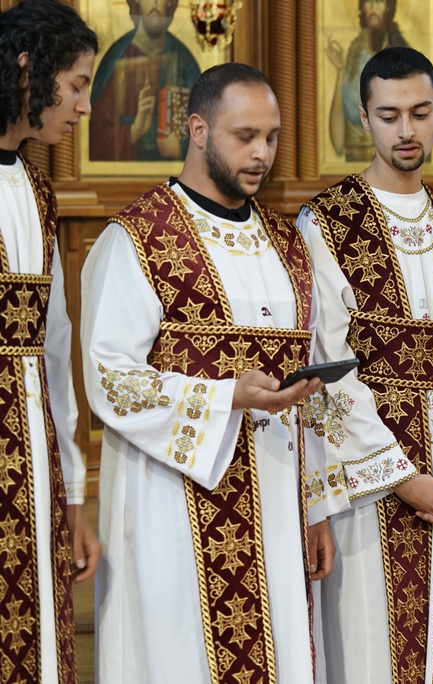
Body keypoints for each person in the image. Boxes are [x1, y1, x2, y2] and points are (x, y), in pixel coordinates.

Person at [82, 63, 345, 684]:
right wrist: (225, 396)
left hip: (278, 499)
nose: (262, 153)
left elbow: (315, 391)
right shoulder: (138, 238)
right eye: (244, 135)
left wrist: (317, 506)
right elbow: (108, 376)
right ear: (198, 130)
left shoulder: (289, 244)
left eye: (273, 137)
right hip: (171, 501)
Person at [299, 46, 433, 683]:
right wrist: (400, 476)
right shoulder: (326, 221)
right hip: (368, 479)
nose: (407, 131)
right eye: (390, 116)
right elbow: (326, 364)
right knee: (372, 648)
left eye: (420, 113)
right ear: (364, 117)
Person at [0, 1, 100, 680]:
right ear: (30, 70)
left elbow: (55, 348)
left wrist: (73, 498)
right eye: (79, 84)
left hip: (33, 464)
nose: (86, 106)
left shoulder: (37, 188)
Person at [89, 0, 201, 161]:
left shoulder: (185, 61)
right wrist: (134, 131)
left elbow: (208, 127)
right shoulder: (116, 60)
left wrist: (182, 148)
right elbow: (95, 137)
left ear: (169, 3)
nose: (155, 3)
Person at [326, 0, 407, 161]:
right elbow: (338, 142)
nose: (373, 9)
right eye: (368, 2)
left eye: (379, 3)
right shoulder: (354, 53)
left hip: (390, 162)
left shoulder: (400, 52)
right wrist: (341, 70)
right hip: (354, 159)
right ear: (362, 8)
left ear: (389, 8)